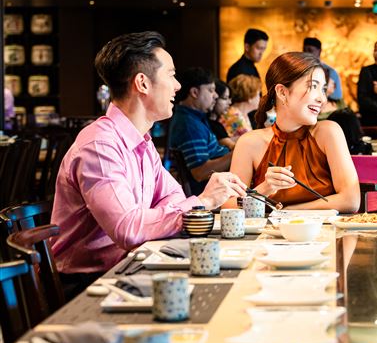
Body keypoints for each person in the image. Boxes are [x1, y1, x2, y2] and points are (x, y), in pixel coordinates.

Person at [51, 32, 246, 299]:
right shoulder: (99, 145)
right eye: (171, 75)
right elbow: (128, 229)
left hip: (130, 267)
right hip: (85, 286)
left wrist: (179, 209)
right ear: (142, 83)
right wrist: (201, 202)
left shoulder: (141, 140)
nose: (177, 86)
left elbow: (172, 197)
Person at [225, 52, 360, 212]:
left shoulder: (328, 132)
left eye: (323, 89)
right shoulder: (249, 143)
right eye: (313, 86)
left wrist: (288, 212)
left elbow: (351, 200)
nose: (322, 99)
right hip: (267, 237)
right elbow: (228, 205)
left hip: (324, 235)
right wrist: (263, 190)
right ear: (282, 92)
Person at [169, 67, 232, 195]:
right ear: (194, 92)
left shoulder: (194, 118)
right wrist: (238, 153)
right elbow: (200, 172)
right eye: (210, 90)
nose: (215, 96)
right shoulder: (189, 124)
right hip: (207, 194)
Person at [219, 74, 261, 140]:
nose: (260, 98)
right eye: (258, 94)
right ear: (250, 96)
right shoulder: (234, 116)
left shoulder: (238, 113)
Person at [303, 37, 343, 101]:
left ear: (319, 51)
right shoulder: (300, 70)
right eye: (304, 50)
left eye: (310, 50)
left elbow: (337, 99)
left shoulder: (330, 72)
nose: (306, 53)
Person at [207, 79, 235, 150]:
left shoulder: (214, 123)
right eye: (225, 98)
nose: (229, 102)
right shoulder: (213, 125)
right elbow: (232, 147)